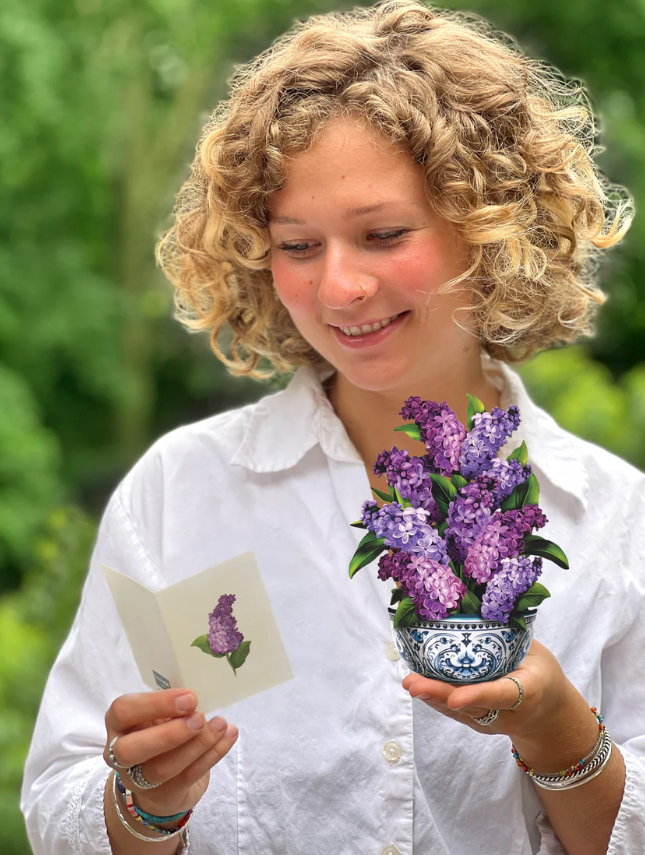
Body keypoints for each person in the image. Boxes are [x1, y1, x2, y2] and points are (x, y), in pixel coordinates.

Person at [20, 1, 645, 853]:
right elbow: (61, 797)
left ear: (490, 228)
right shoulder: (183, 491)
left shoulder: (614, 519)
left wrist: (561, 735)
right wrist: (145, 801)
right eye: (297, 246)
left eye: (382, 234)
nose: (338, 287)